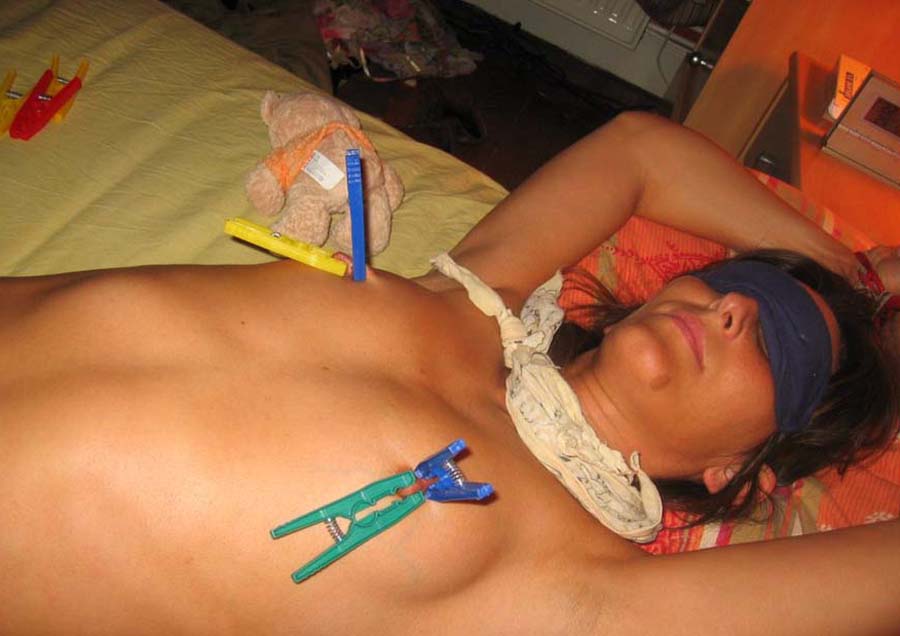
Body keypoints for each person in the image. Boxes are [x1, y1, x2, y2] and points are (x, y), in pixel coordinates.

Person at [1, 111, 899, 634]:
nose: (734, 310)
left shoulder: (583, 591)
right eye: (739, 287)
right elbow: (639, 149)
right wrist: (855, 276)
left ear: (741, 468)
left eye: (778, 347)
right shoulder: (474, 300)